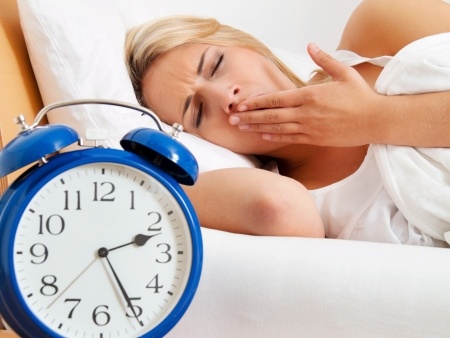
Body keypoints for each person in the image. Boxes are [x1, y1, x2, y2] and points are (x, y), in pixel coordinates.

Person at [125, 0, 450, 247]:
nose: (226, 96)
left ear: (245, 45)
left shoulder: (380, 27)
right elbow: (276, 207)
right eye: (198, 113)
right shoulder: (294, 199)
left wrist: (371, 119)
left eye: (216, 65)